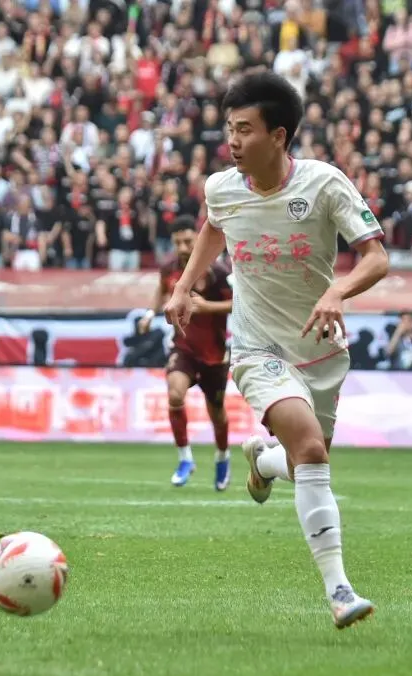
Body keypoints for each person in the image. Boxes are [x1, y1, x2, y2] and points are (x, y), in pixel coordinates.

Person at [163, 72, 389, 629]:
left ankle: (263, 462)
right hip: (256, 347)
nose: (232, 141)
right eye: (229, 129)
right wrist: (185, 286)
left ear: (279, 136)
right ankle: (340, 591)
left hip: (321, 349)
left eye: (245, 130)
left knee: (301, 458)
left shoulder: (324, 184)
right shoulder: (222, 187)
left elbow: (376, 257)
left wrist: (337, 291)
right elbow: (214, 227)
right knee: (311, 451)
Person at [138, 215, 234, 490]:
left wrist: (206, 307)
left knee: (217, 413)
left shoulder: (218, 272)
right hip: (184, 348)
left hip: (214, 353)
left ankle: (222, 457)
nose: (182, 248)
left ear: (198, 239)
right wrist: (149, 314)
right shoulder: (169, 269)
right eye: (177, 242)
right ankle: (185, 459)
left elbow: (240, 304)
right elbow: (162, 290)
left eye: (188, 241)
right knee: (175, 395)